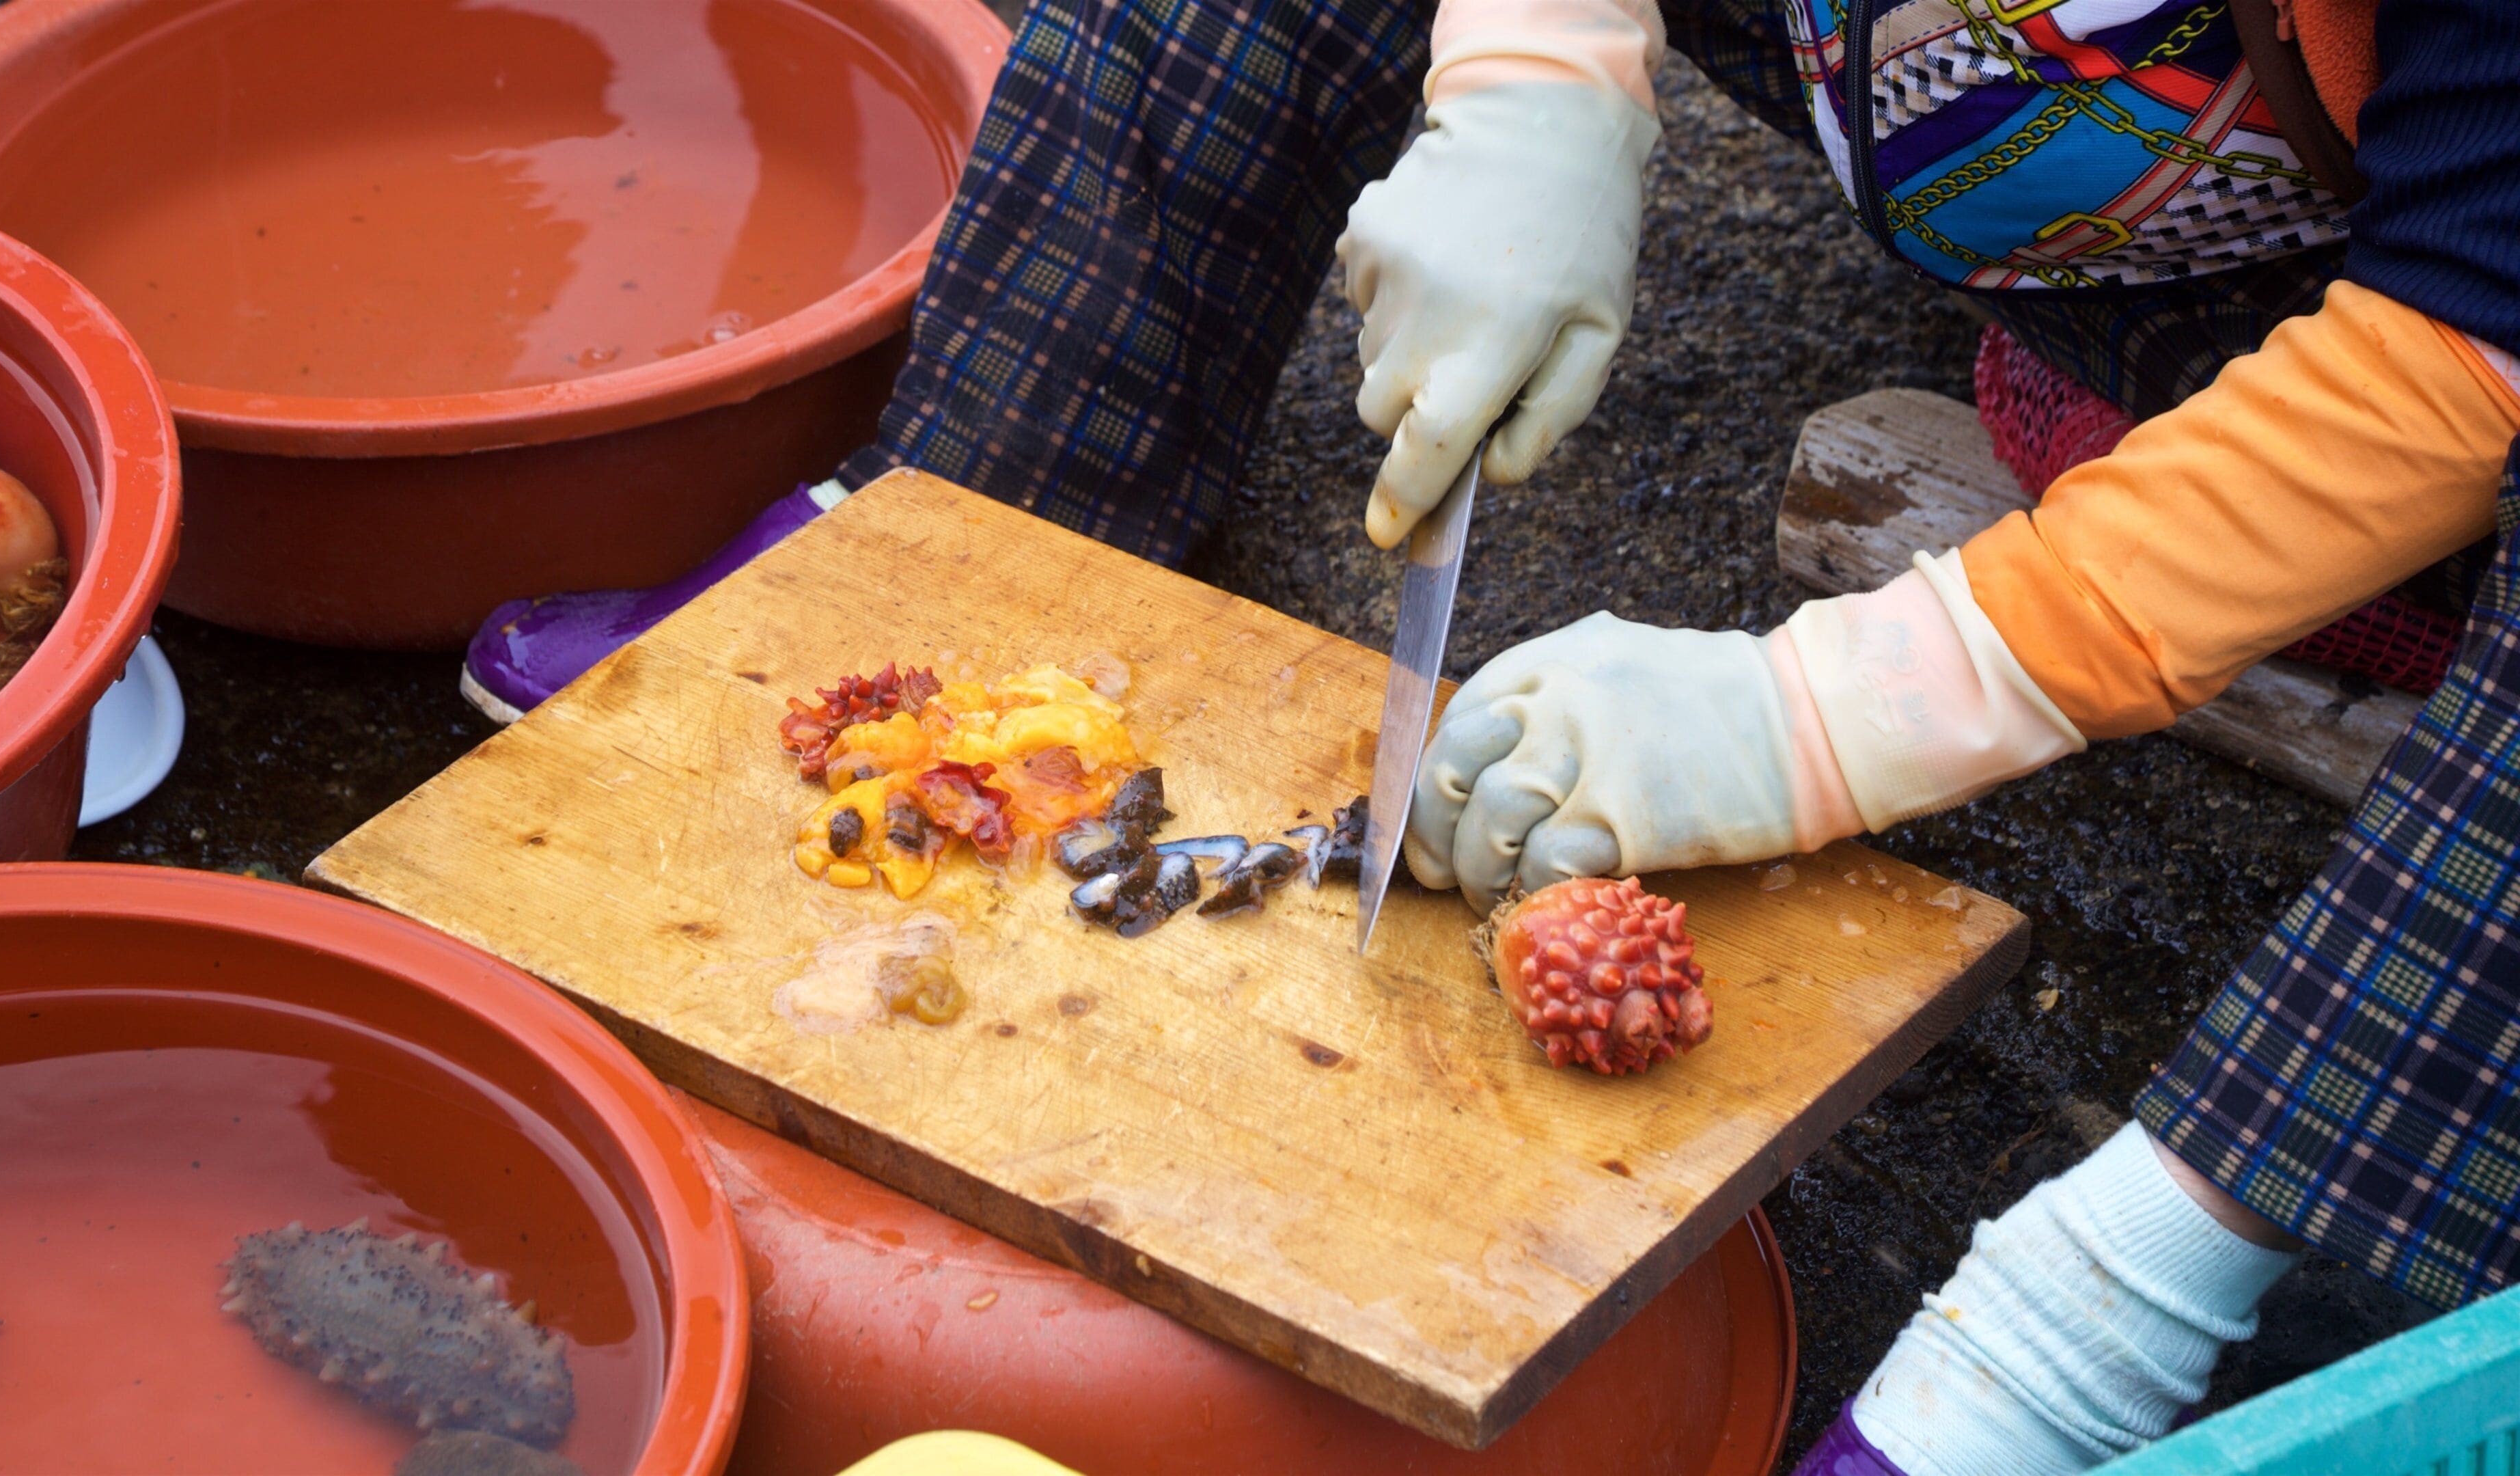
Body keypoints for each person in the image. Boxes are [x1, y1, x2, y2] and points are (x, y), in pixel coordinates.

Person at [462, 0, 2518, 1468]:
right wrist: (1541, 73)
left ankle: (2085, 1332)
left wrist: (1828, 716)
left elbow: (2458, 349)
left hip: (2416, 330)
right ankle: (934, 574)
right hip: (2033, 180)